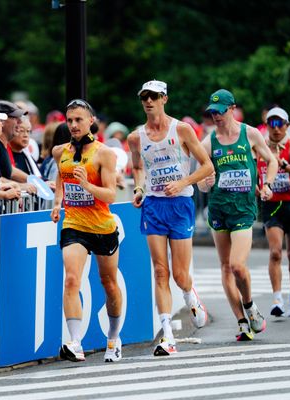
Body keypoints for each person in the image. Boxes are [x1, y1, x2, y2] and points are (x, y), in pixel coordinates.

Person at [128, 80, 214, 355]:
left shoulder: (182, 129)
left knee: (179, 274)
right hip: (153, 205)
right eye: (144, 97)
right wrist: (140, 188)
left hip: (180, 204)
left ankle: (191, 296)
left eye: (153, 96)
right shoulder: (136, 137)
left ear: (165, 98)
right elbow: (138, 167)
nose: (148, 101)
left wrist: (182, 183)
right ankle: (167, 336)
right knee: (160, 271)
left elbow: (207, 166)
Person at [198, 89, 278, 341]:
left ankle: (250, 304)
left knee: (237, 266)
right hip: (219, 208)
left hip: (243, 209)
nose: (216, 117)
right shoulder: (209, 142)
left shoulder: (250, 134)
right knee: (224, 267)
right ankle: (242, 322)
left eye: (220, 112)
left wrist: (268, 185)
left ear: (232, 109)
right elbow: (201, 180)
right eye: (213, 113)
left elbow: (271, 160)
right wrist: (206, 182)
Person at [51, 99, 123, 363]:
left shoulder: (105, 153)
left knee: (109, 284)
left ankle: (113, 338)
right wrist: (57, 202)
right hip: (74, 224)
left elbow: (111, 195)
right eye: (69, 120)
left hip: (102, 227)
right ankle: (75, 342)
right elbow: (61, 177)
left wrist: (88, 186)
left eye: (78, 120)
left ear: (91, 120)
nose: (73, 125)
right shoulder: (60, 151)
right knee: (71, 279)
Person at [258, 107, 290, 318]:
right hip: (272, 206)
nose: (276, 128)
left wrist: (286, 166)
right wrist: (258, 190)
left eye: (280, 124)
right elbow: (252, 174)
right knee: (276, 252)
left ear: (287, 126)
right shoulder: (260, 147)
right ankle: (277, 299)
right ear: (267, 125)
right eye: (272, 124)